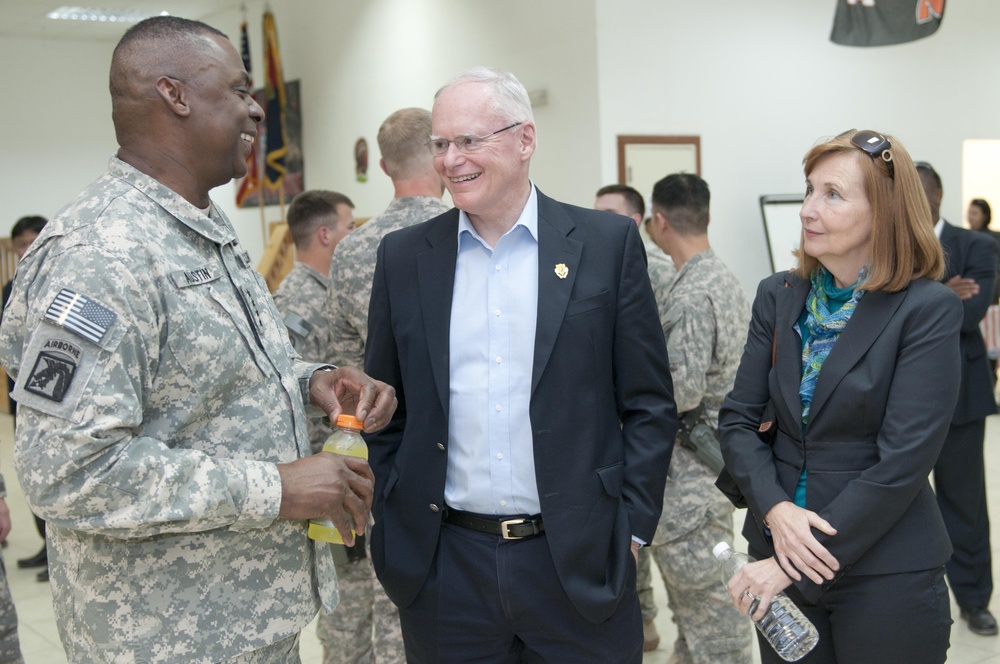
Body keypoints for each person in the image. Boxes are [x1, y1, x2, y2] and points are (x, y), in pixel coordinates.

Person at [0, 16, 396, 662]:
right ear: (174, 95)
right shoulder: (102, 252)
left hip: (247, 623)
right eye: (239, 90)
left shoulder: (199, 228)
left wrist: (312, 380)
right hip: (165, 639)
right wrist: (280, 487)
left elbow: (214, 381)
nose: (256, 109)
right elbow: (67, 469)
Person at [364, 67, 677, 662]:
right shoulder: (405, 258)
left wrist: (631, 532)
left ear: (525, 140)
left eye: (469, 141)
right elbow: (388, 405)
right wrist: (396, 511)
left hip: (578, 563)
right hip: (445, 568)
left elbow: (648, 403)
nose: (451, 160)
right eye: (441, 144)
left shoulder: (605, 245)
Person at [718, 130, 960, 663]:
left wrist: (792, 564)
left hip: (883, 567)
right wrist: (776, 510)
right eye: (808, 190)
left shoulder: (926, 310)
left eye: (832, 194)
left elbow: (902, 462)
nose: (807, 209)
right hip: (776, 550)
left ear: (885, 213)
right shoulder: (779, 296)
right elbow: (737, 422)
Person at [320, 107, 447, 663]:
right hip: (460, 451)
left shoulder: (351, 250)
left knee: (391, 592)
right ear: (441, 158)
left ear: (383, 164)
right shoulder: (462, 236)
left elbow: (338, 361)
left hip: (379, 447)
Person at [644, 173, 753, 664]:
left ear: (659, 222)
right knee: (697, 627)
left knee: (715, 627)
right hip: (711, 472)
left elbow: (680, 392)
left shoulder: (690, 294)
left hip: (689, 487)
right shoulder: (721, 277)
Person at [917, 161, 1000, 636]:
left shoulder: (977, 246)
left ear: (938, 194)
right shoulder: (893, 246)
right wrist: (942, 293)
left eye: (920, 192)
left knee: (964, 504)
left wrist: (919, 296)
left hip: (962, 401)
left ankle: (974, 600)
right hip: (900, 401)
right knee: (895, 502)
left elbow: (969, 316)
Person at [592, 183, 673, 653]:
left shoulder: (654, 269)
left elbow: (649, 374)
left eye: (611, 213)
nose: (599, 220)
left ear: (639, 220)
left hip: (643, 430)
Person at [272, 189, 356, 453]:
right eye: (351, 227)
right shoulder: (299, 302)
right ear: (325, 234)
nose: (356, 236)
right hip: (317, 457)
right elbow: (290, 392)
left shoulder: (325, 291)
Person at [3, 216, 50, 582]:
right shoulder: (11, 288)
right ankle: (44, 545)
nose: (26, 250)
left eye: (32, 242)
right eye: (20, 244)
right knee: (32, 474)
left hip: (55, 402)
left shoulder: (61, 281)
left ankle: (57, 551)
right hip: (23, 399)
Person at [966, 198, 1000, 303]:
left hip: (990, 288)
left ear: (984, 216)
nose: (970, 217)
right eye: (969, 213)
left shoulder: (995, 237)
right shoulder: (964, 237)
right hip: (968, 289)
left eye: (974, 213)